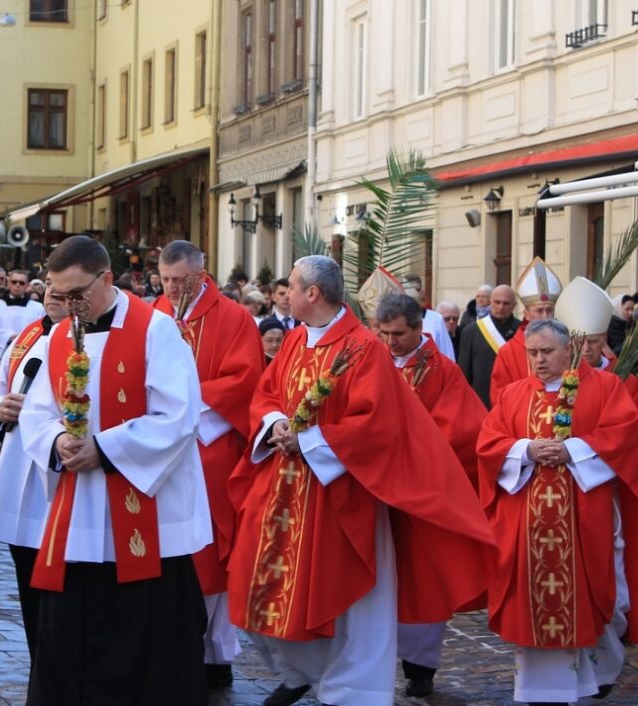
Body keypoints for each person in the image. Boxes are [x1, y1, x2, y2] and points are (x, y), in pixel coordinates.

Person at [227, 256, 494, 706]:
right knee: (259, 582)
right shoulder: (294, 340)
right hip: (286, 490)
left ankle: (356, 692)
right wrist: (274, 423)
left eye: (291, 286)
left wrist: (310, 441)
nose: (284, 294)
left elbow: (377, 423)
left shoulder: (363, 348)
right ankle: (303, 670)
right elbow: (268, 392)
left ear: (313, 293)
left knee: (354, 601)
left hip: (343, 492)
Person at [18, 235, 212, 706]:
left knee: (148, 639)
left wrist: (104, 450)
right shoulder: (60, 335)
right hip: (79, 514)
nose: (69, 306)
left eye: (77, 294)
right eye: (60, 296)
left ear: (107, 279)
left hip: (145, 515)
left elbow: (179, 415)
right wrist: (59, 440)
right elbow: (36, 411)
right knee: (69, 637)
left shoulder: (156, 330)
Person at [477, 318, 638, 705]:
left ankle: (595, 676)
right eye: (532, 353)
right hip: (527, 524)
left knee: (599, 599)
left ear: (569, 350)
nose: (538, 360)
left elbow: (624, 434)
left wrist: (574, 450)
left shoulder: (603, 387)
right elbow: (488, 443)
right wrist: (525, 451)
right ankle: (538, 691)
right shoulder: (514, 394)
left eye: (546, 352)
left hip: (583, 519)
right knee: (532, 603)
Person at [153, 240, 265, 688]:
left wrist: (191, 415)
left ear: (202, 274)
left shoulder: (235, 319)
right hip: (160, 445)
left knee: (211, 547)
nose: (173, 289)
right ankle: (170, 641)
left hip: (211, 442)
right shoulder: (153, 314)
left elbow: (244, 381)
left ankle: (216, 649)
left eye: (181, 280)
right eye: (165, 280)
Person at [375, 293, 488, 698]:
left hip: (420, 496)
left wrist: (407, 462)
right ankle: (368, 665)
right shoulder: (371, 362)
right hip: (372, 492)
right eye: (384, 333)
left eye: (399, 334)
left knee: (423, 581)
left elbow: (461, 430)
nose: (391, 342)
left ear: (420, 329)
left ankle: (420, 667)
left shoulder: (443, 372)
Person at [0, 278, 70, 658]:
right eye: (49, 285)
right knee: (28, 576)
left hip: (62, 480)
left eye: (64, 289)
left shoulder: (94, 342)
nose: (52, 294)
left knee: (64, 592)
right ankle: (41, 670)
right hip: (20, 477)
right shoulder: (28, 337)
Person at [490, 257, 562, 405]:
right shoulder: (508, 352)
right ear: (526, 314)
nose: (545, 316)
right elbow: (499, 396)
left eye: (549, 310)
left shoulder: (566, 347)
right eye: (539, 311)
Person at [458, 284, 519, 408]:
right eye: (497, 302)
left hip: (514, 400)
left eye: (506, 303)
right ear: (490, 302)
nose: (501, 307)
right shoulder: (472, 331)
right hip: (481, 402)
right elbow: (464, 374)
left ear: (514, 305)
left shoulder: (522, 331)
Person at [0, 269, 45, 377]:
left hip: (26, 357)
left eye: (21, 283)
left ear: (27, 285)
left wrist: (23, 339)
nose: (17, 285)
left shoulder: (37, 308)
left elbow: (43, 331)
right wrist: (8, 337)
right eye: (14, 282)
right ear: (8, 283)